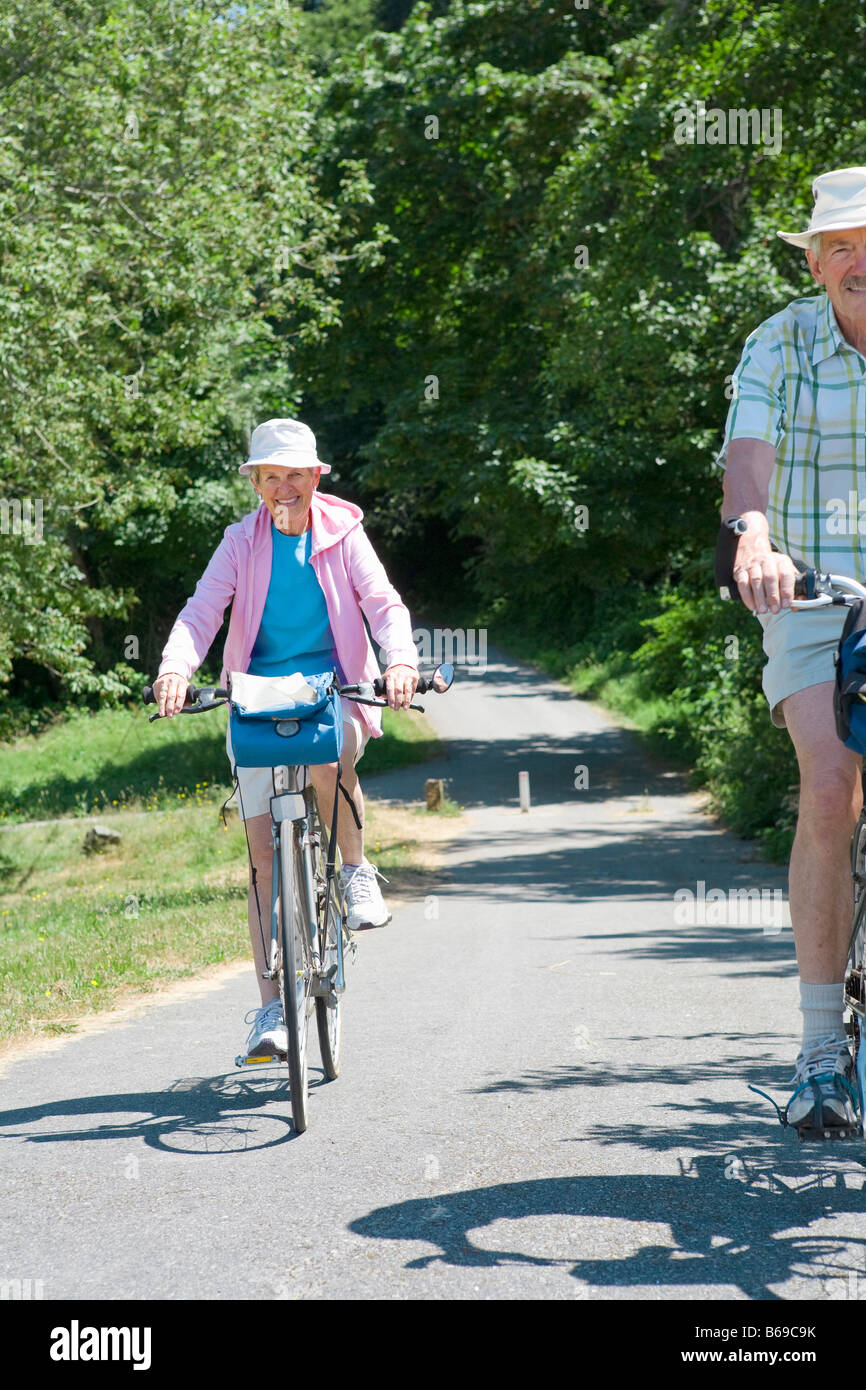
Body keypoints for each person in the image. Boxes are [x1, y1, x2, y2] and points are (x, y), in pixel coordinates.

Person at [152, 418, 419, 1057]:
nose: (285, 486)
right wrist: (172, 669)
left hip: (333, 692)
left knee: (329, 758)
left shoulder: (344, 533)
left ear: (316, 476)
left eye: (296, 473)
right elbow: (200, 613)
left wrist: (401, 659)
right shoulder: (239, 543)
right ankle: (272, 1012)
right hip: (255, 701)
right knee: (260, 861)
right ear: (256, 483)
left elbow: (383, 605)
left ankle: (354, 872)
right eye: (271, 475)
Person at [717, 167, 866, 1135]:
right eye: (840, 246)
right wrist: (753, 538)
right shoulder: (780, 340)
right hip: (816, 592)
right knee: (828, 787)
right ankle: (818, 1048)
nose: (859, 262)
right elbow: (747, 453)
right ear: (813, 261)